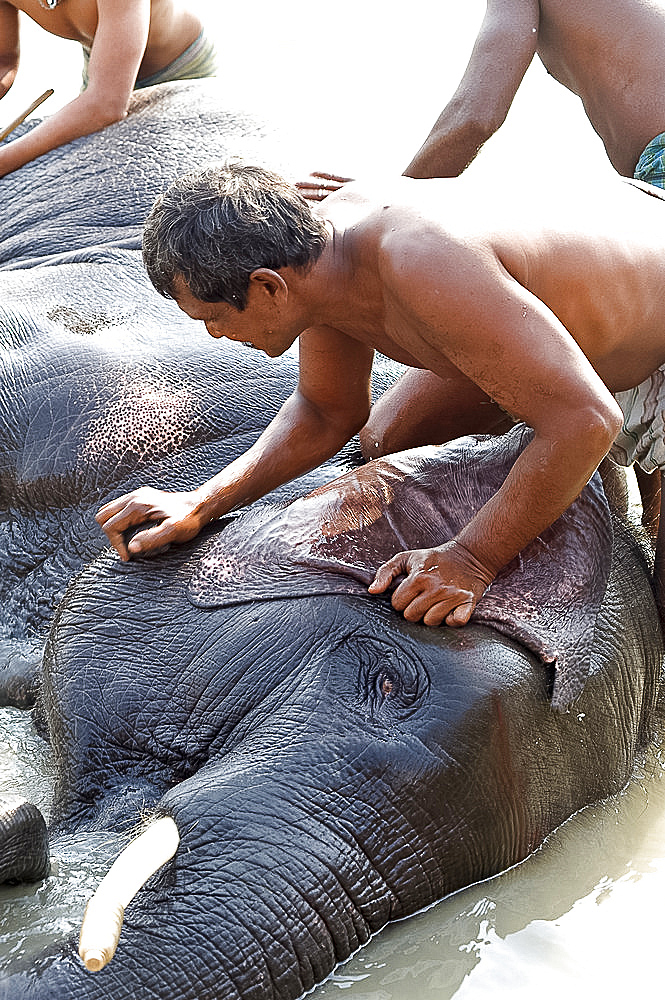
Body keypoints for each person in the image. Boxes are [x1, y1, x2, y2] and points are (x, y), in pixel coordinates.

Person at [96, 162, 665, 628]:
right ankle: (567, 432)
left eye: (214, 317)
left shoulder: (420, 263)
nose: (213, 334)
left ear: (268, 287)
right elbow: (326, 411)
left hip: (649, 317)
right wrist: (202, 501)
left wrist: (470, 560)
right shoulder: (314, 259)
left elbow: (591, 419)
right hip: (580, 307)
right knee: (389, 439)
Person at [0, 0, 216, 178]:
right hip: (104, 70)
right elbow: (4, 61)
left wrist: (4, 160)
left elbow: (107, 105)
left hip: (179, 72)